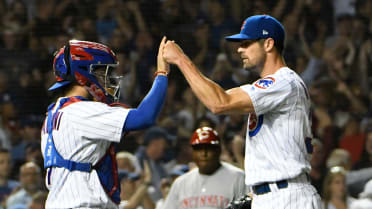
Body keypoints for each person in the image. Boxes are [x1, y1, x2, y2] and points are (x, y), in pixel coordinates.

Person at [162, 14, 323, 208]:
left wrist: (180, 59)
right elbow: (217, 96)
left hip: (287, 196)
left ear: (269, 44)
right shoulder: (274, 86)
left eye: (247, 43)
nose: (239, 49)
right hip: (274, 194)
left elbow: (218, 103)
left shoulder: (283, 82)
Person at [41, 37, 170, 208]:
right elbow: (144, 117)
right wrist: (162, 73)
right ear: (83, 73)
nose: (107, 79)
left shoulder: (55, 114)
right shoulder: (80, 111)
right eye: (102, 72)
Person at [160, 127, 247, 209]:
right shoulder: (181, 183)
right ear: (192, 152)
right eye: (199, 149)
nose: (203, 154)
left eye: (208, 148)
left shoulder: (238, 178)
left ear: (218, 150)